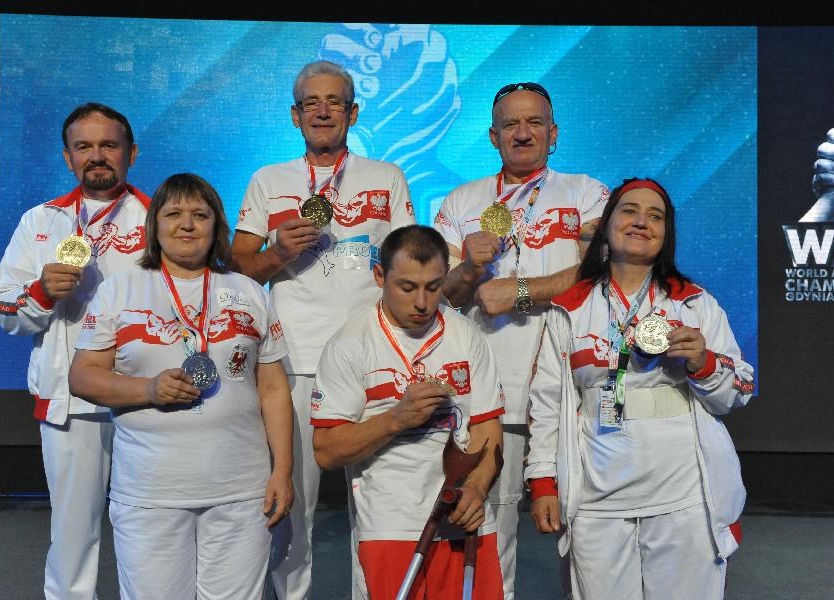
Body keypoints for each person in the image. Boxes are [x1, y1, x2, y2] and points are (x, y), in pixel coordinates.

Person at [232, 59, 416, 599]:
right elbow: (241, 265)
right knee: (292, 506)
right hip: (295, 362)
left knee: (379, 508)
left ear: (353, 113)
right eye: (311, 102)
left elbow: (407, 262)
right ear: (294, 116)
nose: (323, 110)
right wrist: (276, 253)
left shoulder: (386, 178)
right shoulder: (269, 180)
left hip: (373, 360)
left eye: (334, 101)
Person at [526, 178, 755, 599]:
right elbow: (546, 404)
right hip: (597, 497)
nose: (641, 222)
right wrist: (543, 482)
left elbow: (737, 390)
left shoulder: (694, 303)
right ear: (608, 223)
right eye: (629, 210)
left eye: (656, 216)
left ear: (666, 235)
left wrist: (702, 362)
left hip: (683, 494)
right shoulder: (569, 308)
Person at [68, 173, 294, 599]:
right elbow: (82, 376)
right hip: (150, 492)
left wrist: (282, 470)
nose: (187, 224)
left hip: (241, 492)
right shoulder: (120, 289)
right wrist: (148, 390)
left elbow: (273, 389)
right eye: (173, 214)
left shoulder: (249, 292)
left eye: (199, 215)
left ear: (217, 227)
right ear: (154, 226)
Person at [433, 81, 608, 598]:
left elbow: (606, 267)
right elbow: (439, 293)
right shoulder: (461, 202)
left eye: (535, 122)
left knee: (586, 533)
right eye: (511, 123)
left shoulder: (587, 192)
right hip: (495, 390)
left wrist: (522, 292)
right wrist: (469, 268)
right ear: (493, 136)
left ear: (554, 134)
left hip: (575, 387)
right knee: (489, 530)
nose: (523, 132)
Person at [0, 103, 148, 600]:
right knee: (72, 538)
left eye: (109, 145)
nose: (96, 156)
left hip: (146, 397)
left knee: (149, 532)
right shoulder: (41, 221)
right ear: (67, 157)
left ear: (131, 153)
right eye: (84, 146)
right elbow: (2, 308)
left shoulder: (162, 218)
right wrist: (40, 293)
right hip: (72, 404)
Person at [312, 225, 505, 599]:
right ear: (379, 276)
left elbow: (487, 428)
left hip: (464, 520)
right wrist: (395, 420)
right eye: (407, 287)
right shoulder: (349, 343)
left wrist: (478, 490)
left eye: (433, 287)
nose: (422, 302)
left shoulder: (465, 335)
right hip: (391, 525)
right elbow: (326, 450)